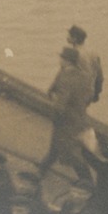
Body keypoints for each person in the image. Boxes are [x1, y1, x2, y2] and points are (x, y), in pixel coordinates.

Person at [37, 46, 95, 186]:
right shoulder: (84, 76)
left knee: (70, 152)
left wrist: (56, 117)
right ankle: (41, 170)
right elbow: (90, 96)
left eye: (61, 58)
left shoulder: (65, 77)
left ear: (66, 61)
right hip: (79, 118)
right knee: (55, 148)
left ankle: (87, 181)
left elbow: (60, 104)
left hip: (65, 121)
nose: (59, 60)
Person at [67, 25, 103, 105]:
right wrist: (97, 92)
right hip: (89, 91)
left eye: (69, 35)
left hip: (77, 92)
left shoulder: (73, 53)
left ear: (74, 39)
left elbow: (67, 75)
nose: (67, 37)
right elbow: (99, 75)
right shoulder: (93, 53)